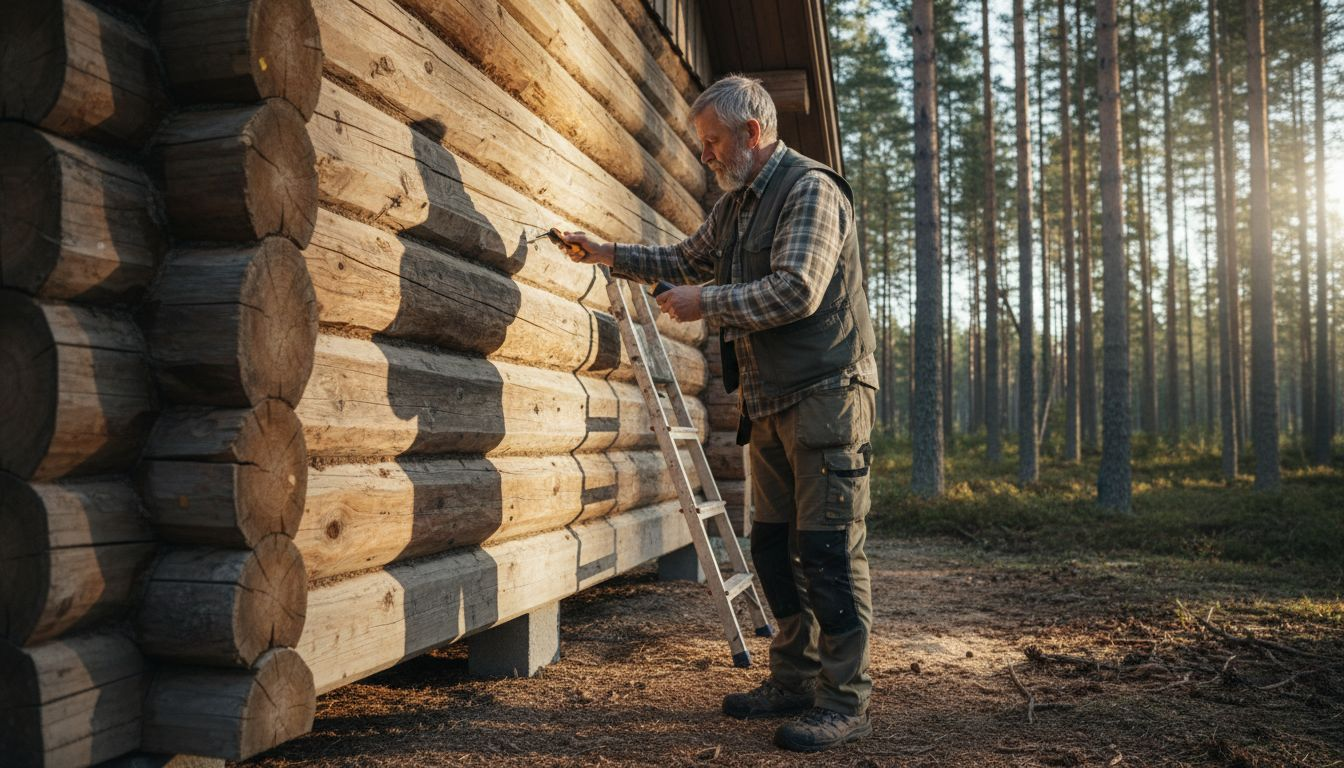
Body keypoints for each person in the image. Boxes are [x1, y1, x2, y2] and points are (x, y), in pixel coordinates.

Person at [558, 74, 877, 753]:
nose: (704, 156)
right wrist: (608, 253)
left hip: (827, 396)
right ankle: (793, 680)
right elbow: (684, 258)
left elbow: (796, 289)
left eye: (711, 143)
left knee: (828, 552)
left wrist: (705, 302)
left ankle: (843, 701)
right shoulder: (737, 206)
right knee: (772, 549)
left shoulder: (811, 190)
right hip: (769, 400)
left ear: (751, 134)